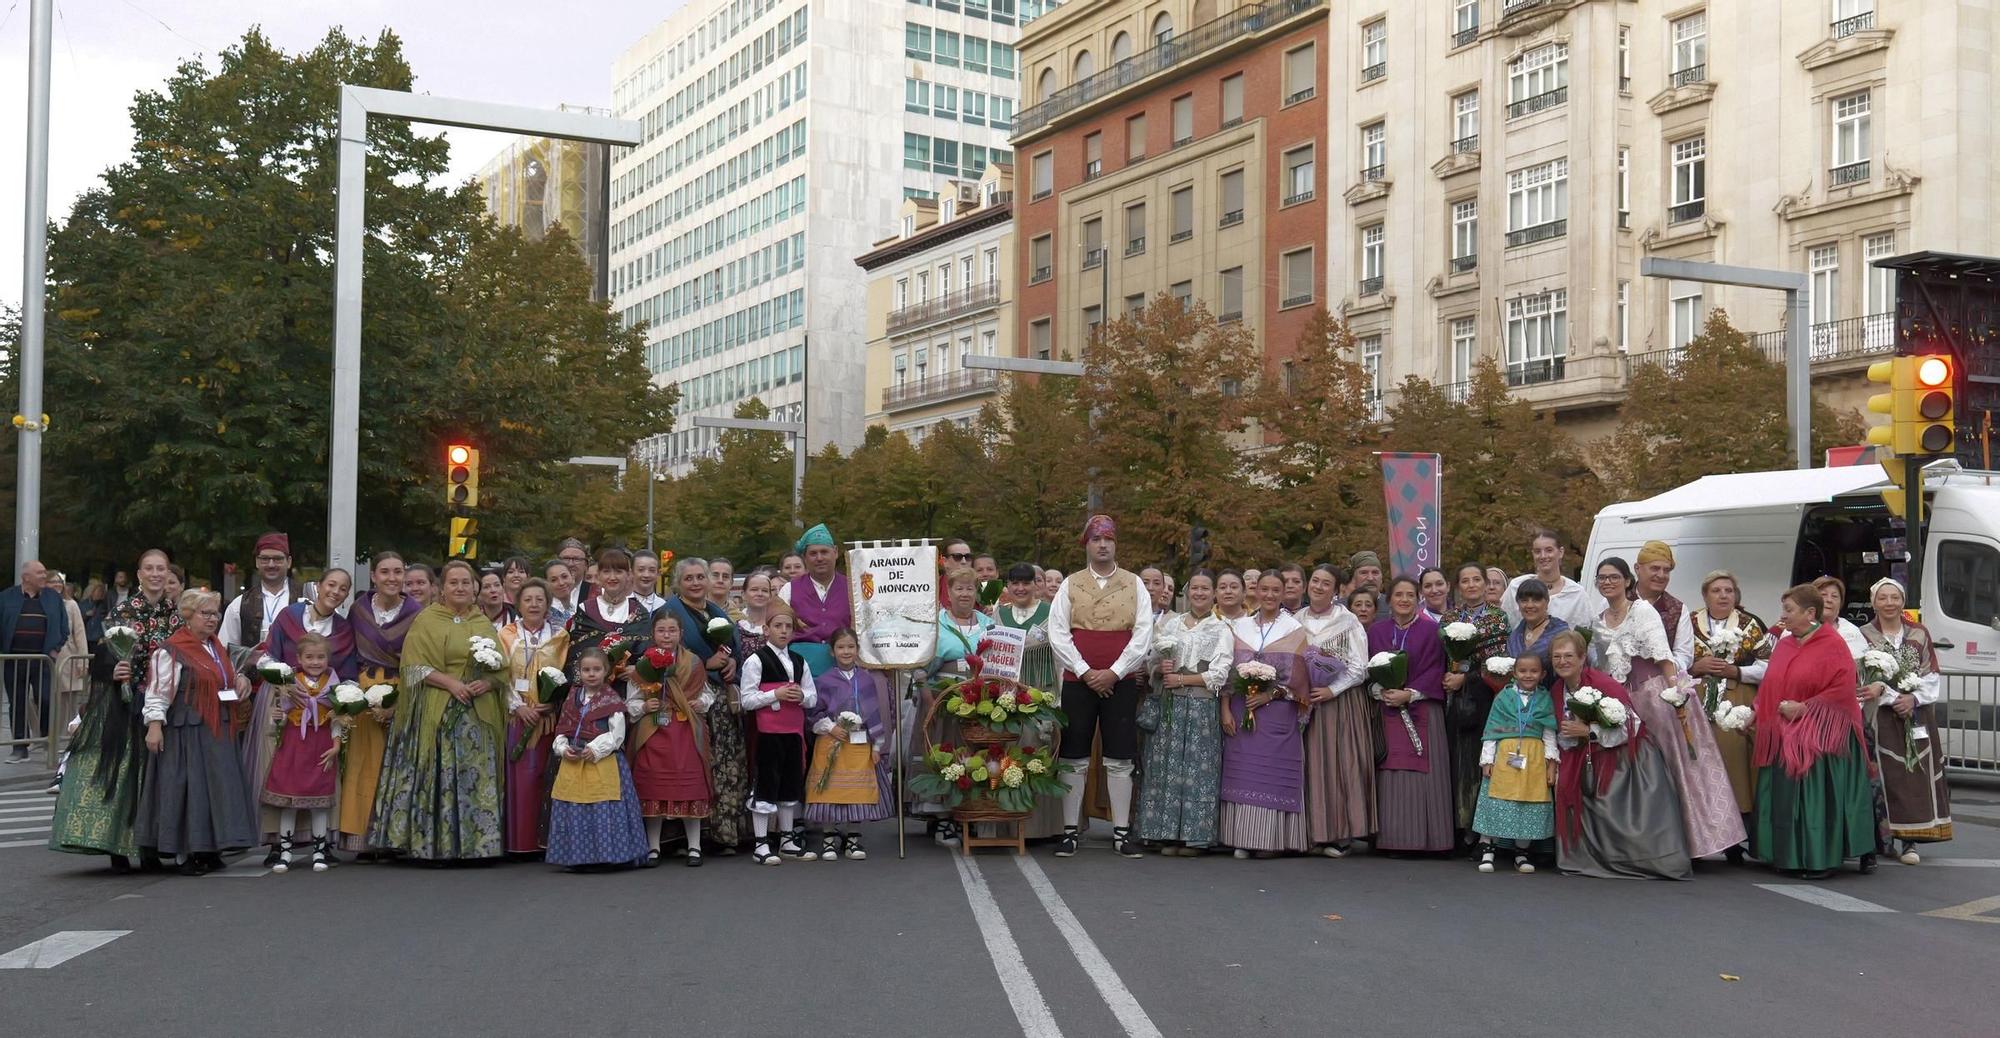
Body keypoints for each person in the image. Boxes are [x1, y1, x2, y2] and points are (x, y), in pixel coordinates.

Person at [1591, 557, 1744, 860]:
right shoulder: (1598, 620)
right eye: (1602, 578)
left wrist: (1677, 694)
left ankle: (1704, 841)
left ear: (1627, 580)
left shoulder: (1642, 611)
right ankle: (1658, 843)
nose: (1608, 582)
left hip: (1656, 694)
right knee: (1645, 773)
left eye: (1614, 577)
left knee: (1681, 767)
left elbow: (1662, 654)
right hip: (1625, 701)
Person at [368, 560, 507, 862]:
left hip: (475, 712)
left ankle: (476, 845)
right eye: (453, 582)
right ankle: (434, 844)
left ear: (475, 589)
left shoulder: (482, 622)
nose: (460, 587)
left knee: (474, 775)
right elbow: (412, 667)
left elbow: (502, 668)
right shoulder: (427, 619)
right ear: (441, 589)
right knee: (436, 771)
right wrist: (450, 684)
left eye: (466, 582)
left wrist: (487, 682)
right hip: (436, 707)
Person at [48, 550, 179, 870]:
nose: (156, 574)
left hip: (161, 701)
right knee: (122, 775)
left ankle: (149, 846)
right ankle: (116, 847)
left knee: (153, 777)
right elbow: (102, 657)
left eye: (161, 569)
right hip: (124, 701)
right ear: (139, 575)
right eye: (149, 569)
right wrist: (114, 670)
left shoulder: (174, 614)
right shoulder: (124, 611)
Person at [1047, 515, 1155, 859]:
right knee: (1073, 754)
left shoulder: (1135, 584)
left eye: (1108, 538)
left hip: (1119, 683)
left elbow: (1142, 634)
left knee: (1120, 755)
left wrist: (1114, 671)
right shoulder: (1070, 584)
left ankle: (1121, 833)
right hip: (1078, 682)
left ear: (1116, 543)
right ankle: (1069, 832)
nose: (1103, 544)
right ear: (1087, 544)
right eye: (1096, 539)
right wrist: (1084, 670)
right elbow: (1058, 632)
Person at [1753, 584, 1878, 879]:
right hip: (1785, 731)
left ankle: (1818, 858)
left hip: (1822, 733)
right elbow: (1772, 683)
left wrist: (1805, 708)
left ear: (1810, 613)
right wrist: (1759, 710)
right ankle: (1788, 855)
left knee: (1814, 797)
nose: (1783, 616)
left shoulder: (1832, 644)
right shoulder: (1784, 644)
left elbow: (1841, 690)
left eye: (1789, 610)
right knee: (1786, 797)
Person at [1548, 630, 1693, 879]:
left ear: (1583, 658)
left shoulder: (1603, 684)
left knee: (1622, 809)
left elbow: (1632, 725)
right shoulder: (1557, 689)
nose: (1562, 661)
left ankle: (1641, 860)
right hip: (1585, 756)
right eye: (1557, 656)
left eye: (1569, 655)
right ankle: (1590, 858)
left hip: (1626, 757)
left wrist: (1589, 731)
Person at [137, 589, 257, 874]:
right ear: (188, 616)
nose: (213, 619)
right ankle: (187, 853)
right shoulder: (172, 649)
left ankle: (210, 848)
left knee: (216, 790)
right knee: (189, 791)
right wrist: (154, 726)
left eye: (215, 613)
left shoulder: (216, 647)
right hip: (187, 731)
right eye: (206, 613)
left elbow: (221, 677)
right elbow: (159, 691)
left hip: (217, 730)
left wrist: (240, 680)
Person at [244, 570, 355, 866]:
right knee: (279, 768)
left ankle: (324, 841)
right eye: (331, 584)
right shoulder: (289, 616)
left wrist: (342, 704)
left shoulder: (343, 630)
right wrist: (284, 681)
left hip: (323, 707)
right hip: (285, 699)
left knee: (324, 770)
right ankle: (276, 843)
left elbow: (348, 674)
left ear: (346, 596)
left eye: (343, 589)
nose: (335, 591)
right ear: (319, 586)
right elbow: (266, 655)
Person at [658, 557, 749, 854]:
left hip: (721, 700)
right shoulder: (668, 612)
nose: (696, 583)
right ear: (678, 583)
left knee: (725, 762)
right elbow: (658, 656)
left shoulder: (716, 610)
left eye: (701, 577)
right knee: (693, 764)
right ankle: (688, 837)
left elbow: (734, 646)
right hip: (687, 700)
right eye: (689, 579)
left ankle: (723, 833)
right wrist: (703, 664)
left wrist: (732, 661)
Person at [1139, 570, 1232, 854]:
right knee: (1164, 767)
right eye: (1195, 589)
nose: (1200, 593)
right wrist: (1160, 668)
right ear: (1186, 593)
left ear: (1213, 593)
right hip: (1170, 704)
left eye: (1206, 589)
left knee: (1198, 769)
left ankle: (1196, 836)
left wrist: (1183, 679)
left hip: (1201, 706)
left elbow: (1220, 673)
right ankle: (1164, 832)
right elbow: (1151, 661)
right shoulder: (1173, 625)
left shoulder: (1222, 627)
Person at [1859, 578, 1952, 864]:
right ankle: (1881, 838)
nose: (1889, 603)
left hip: (1915, 713)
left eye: (1895, 597)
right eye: (1883, 598)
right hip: (1879, 715)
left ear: (1902, 601)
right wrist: (1890, 695)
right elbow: (1862, 678)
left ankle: (1911, 839)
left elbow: (1931, 674)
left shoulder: (1918, 633)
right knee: (1881, 777)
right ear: (1874, 603)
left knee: (1914, 775)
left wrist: (1912, 699)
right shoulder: (1863, 635)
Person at [1219, 572, 1311, 858]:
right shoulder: (1240, 627)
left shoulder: (1294, 628)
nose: (1269, 595)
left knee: (1271, 774)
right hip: (1240, 707)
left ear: (1284, 593)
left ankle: (1270, 840)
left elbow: (1300, 682)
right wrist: (1224, 709)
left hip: (1277, 712)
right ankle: (1240, 838)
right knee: (1243, 773)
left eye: (1276, 590)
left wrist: (1269, 694)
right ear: (1255, 591)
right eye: (1264, 589)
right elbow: (1226, 671)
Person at [1681, 570, 1770, 856]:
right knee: (1703, 764)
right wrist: (1695, 668)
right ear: (1705, 595)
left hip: (1737, 697)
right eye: (1717, 590)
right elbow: (1674, 658)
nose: (1723, 595)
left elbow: (1770, 664)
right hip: (1698, 698)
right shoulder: (1689, 622)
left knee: (1737, 765)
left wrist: (1737, 670)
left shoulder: (1750, 624)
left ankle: (1740, 834)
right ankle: (1709, 834)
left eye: (1728, 591)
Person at [339, 553, 422, 857]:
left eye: (398, 572)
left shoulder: (417, 613)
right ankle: (363, 838)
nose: (391, 578)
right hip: (364, 695)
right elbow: (347, 653)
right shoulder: (359, 610)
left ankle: (396, 837)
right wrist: (350, 696)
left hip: (402, 692)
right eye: (385, 572)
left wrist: (398, 703)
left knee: (399, 768)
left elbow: (419, 662)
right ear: (373, 576)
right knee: (365, 766)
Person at [544, 646, 649, 870]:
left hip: (602, 761)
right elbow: (562, 729)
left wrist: (596, 748)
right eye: (586, 670)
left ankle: (609, 856)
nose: (591, 674)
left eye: (596, 669)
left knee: (603, 808)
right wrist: (562, 748)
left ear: (606, 672)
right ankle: (578, 857)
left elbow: (617, 734)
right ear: (579, 672)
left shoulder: (611, 700)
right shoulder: (573, 697)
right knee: (575, 809)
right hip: (574, 760)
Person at [1370, 575, 1453, 854]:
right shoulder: (1376, 632)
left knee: (1423, 774)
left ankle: (1429, 839)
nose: (1404, 600)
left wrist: (1411, 693)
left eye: (1409, 595)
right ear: (1389, 599)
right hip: (1387, 709)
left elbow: (1435, 669)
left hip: (1422, 708)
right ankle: (1393, 838)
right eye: (1398, 595)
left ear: (1417, 598)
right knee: (1391, 771)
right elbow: (1367, 668)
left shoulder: (1432, 631)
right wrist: (1380, 690)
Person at [1295, 564, 1372, 856]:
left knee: (1336, 765)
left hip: (1337, 703)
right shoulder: (1296, 619)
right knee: (1308, 765)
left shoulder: (1348, 621)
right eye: (1314, 580)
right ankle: (1310, 832)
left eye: (1325, 583)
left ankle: (1337, 834)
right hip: (1303, 701)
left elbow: (1359, 667)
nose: (1318, 586)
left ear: (1336, 590)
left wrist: (1331, 689)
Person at [915, 567, 996, 845]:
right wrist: (929, 699)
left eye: (969, 588)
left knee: (974, 757)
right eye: (958, 588)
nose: (964, 593)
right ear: (948, 592)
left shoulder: (989, 624)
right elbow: (921, 668)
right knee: (947, 755)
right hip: (943, 699)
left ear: (976, 592)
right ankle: (943, 819)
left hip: (981, 702)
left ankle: (970, 813)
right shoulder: (936, 625)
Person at [626, 611, 713, 867]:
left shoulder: (694, 662)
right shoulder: (643, 663)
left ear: (680, 633)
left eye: (672, 630)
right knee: (652, 787)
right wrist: (643, 707)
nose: (667, 635)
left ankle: (694, 846)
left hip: (686, 731)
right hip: (653, 731)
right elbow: (631, 700)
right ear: (653, 633)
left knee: (690, 787)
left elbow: (708, 694)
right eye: (661, 630)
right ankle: (653, 847)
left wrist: (701, 702)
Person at [254, 631, 343, 873]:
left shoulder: (334, 687)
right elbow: (280, 718)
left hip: (321, 746)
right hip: (294, 745)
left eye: (321, 657)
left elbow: (337, 719)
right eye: (310, 657)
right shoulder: (290, 684)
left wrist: (336, 745)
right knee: (288, 801)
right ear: (300, 659)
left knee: (319, 803)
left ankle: (318, 851)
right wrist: (279, 718)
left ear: (328, 660)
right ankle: (285, 852)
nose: (315, 662)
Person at [804, 628, 894, 860]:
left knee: (856, 791)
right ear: (832, 651)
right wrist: (830, 727)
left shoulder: (866, 679)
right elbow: (814, 712)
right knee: (830, 790)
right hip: (831, 741)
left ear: (857, 649)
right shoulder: (823, 680)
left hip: (859, 743)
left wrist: (877, 746)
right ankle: (829, 838)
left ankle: (853, 838)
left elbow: (874, 714)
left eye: (851, 647)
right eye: (841, 647)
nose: (846, 651)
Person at [739, 604, 817, 865]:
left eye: (788, 627)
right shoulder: (756, 660)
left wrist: (802, 696)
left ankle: (787, 839)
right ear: (766, 629)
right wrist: (775, 694)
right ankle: (761, 844)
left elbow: (812, 696)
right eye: (778, 626)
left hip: (793, 732)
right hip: (767, 733)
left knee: (790, 784)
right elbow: (747, 699)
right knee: (766, 783)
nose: (783, 631)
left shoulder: (799, 661)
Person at [499, 578, 571, 856]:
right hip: (518, 717)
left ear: (547, 604)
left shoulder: (559, 637)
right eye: (528, 599)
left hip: (547, 719)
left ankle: (546, 840)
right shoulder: (506, 635)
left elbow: (566, 674)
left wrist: (552, 703)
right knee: (520, 779)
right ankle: (519, 841)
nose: (534, 605)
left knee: (546, 776)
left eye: (539, 600)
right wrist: (518, 707)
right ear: (518, 603)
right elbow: (500, 677)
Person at [1443, 563, 1512, 848]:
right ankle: (1457, 826)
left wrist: (1466, 678)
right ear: (1458, 586)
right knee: (1455, 759)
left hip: (1484, 694)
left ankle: (1479, 828)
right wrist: (1451, 677)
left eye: (1476, 579)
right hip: (1453, 697)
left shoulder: (1498, 618)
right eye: (1465, 581)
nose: (1471, 585)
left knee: (1479, 761)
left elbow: (1496, 664)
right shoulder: (1450, 617)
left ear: (1486, 584)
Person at [1471, 654, 1559, 873]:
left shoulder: (1545, 699)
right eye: (1523, 671)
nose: (1528, 675)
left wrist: (1551, 763)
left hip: (1534, 757)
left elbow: (1549, 733)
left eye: (1533, 671)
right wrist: (1487, 759)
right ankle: (1488, 849)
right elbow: (1491, 730)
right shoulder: (1504, 697)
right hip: (1506, 755)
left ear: (1543, 674)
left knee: (1528, 804)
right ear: (1514, 673)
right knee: (1496, 802)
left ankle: (1522, 853)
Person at [996, 563, 1064, 839]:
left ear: (1036, 586)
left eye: (1026, 583)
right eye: (1015, 584)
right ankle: (1010, 823)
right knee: (1010, 754)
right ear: (1009, 586)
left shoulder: (1051, 614)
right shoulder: (999, 615)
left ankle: (1041, 828)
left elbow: (1061, 657)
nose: (1021, 589)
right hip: (1009, 693)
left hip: (1042, 689)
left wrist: (1059, 697)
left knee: (1040, 753)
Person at [1, 560, 70, 761]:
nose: (44, 576)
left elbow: (64, 628)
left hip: (43, 661)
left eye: (44, 572)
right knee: (18, 703)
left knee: (47, 699)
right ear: (26, 577)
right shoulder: (6, 597)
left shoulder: (53, 599)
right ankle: (19, 748)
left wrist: (56, 649)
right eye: (39, 573)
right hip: (14, 660)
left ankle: (48, 741)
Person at [563, 549, 651, 677]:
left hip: (627, 687)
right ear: (598, 576)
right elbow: (574, 653)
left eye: (619, 572)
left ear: (629, 575)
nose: (612, 577)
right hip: (590, 686)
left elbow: (645, 652)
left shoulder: (639, 613)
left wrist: (636, 669)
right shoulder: (585, 609)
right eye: (606, 571)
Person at [779, 524, 851, 677]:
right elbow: (778, 631)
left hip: (843, 669)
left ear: (836, 552)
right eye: (813, 553)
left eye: (824, 552)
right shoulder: (789, 589)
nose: (819, 558)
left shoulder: (852, 587)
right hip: (800, 670)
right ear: (805, 558)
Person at [220, 533, 309, 653]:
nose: (271, 564)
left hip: (299, 671)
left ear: (289, 562)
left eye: (277, 559)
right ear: (257, 562)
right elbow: (225, 650)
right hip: (253, 671)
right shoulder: (240, 604)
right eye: (265, 559)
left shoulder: (308, 597)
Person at [1500, 527, 1604, 629]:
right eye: (1537, 551)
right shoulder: (1516, 587)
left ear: (1561, 552)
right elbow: (1503, 624)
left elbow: (1587, 632)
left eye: (1549, 550)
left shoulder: (1576, 593)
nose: (1543, 556)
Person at [1635, 541, 1689, 653]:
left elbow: (1684, 654)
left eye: (1666, 570)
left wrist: (1664, 668)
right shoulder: (1618, 601)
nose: (1661, 575)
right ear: (1637, 569)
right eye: (1655, 568)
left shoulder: (1678, 609)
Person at [1504, 579, 1569, 670]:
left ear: (1547, 602)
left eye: (1536, 600)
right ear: (1518, 604)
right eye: (1524, 600)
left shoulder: (1561, 632)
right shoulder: (1514, 636)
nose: (1530, 605)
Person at [543, 558, 579, 628]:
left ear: (572, 577)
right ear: (547, 584)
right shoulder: (545, 612)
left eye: (564, 577)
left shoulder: (575, 608)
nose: (561, 583)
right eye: (554, 580)